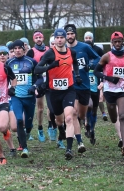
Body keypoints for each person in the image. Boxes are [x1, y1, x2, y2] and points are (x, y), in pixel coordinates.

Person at [35, 28, 81, 160]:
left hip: (68, 90)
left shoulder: (72, 52)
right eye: (57, 38)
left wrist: (76, 75)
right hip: (53, 91)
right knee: (59, 120)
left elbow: (76, 63)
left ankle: (69, 149)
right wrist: (50, 66)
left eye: (62, 37)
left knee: (69, 118)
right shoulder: (50, 53)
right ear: (54, 40)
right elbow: (37, 69)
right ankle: (61, 130)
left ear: (65, 38)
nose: (60, 40)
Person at [94, 31, 124, 156]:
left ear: (122, 42)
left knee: (122, 116)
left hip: (122, 90)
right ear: (112, 43)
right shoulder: (107, 56)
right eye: (115, 42)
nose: (118, 44)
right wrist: (109, 78)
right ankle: (122, 139)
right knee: (114, 117)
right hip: (109, 90)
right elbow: (96, 71)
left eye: (119, 41)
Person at [64, 24, 100, 154]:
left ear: (75, 34)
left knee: (81, 114)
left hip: (84, 85)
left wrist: (90, 65)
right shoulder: (62, 50)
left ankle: (84, 125)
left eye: (72, 34)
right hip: (70, 86)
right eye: (67, 34)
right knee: (73, 113)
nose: (70, 36)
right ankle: (79, 142)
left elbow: (97, 58)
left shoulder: (84, 47)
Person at [6, 39, 39, 158]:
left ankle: (27, 132)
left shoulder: (32, 62)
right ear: (13, 50)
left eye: (20, 48)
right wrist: (8, 88)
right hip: (16, 97)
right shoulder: (9, 63)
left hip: (29, 98)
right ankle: (24, 148)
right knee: (19, 120)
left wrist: (34, 86)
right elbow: (4, 78)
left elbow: (39, 78)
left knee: (28, 124)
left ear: (24, 49)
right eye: (15, 49)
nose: (18, 50)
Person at [26, 30, 50, 142]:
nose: (38, 39)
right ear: (34, 39)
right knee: (40, 108)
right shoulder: (31, 52)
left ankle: (51, 125)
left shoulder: (49, 50)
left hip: (49, 81)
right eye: (36, 38)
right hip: (39, 81)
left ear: (43, 38)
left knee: (51, 106)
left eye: (40, 37)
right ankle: (40, 128)